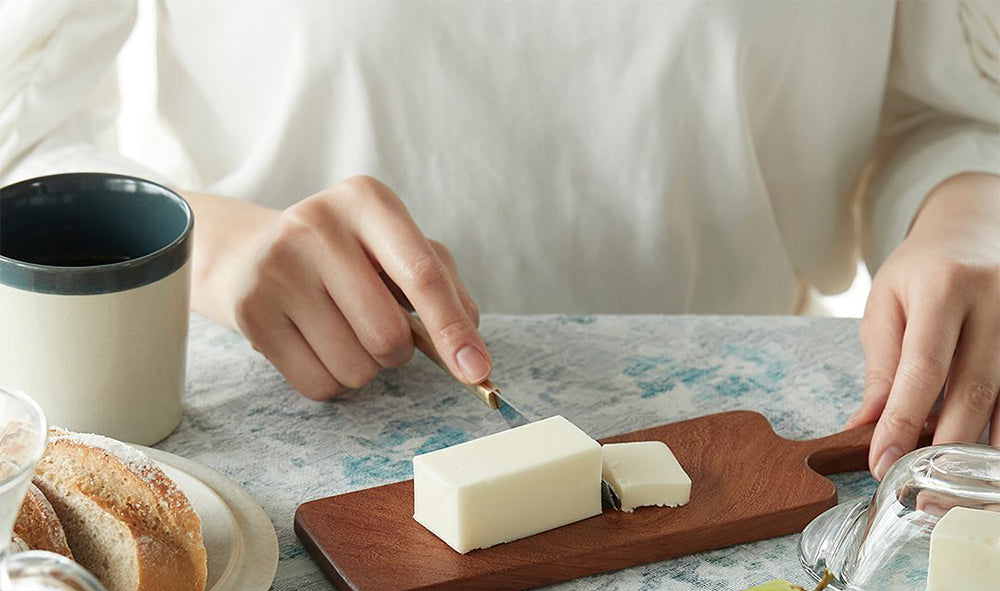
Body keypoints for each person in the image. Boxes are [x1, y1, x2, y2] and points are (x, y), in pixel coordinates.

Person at [1, 0, 997, 479]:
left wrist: (967, 231)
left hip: (750, 462)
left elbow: (957, 114)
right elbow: (23, 135)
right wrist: (217, 247)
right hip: (259, 455)